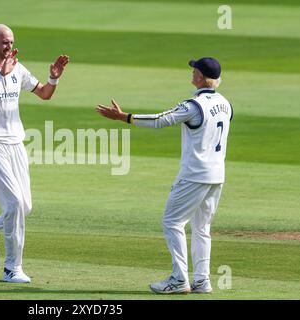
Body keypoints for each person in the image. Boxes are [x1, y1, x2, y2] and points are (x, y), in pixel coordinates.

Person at [96, 57, 232, 294]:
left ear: (200, 76)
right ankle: (201, 280)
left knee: (172, 222)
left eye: (194, 70)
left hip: (194, 175)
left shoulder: (194, 105)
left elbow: (160, 120)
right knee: (202, 228)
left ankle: (179, 279)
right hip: (216, 175)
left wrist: (125, 117)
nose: (191, 73)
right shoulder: (226, 104)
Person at [0, 24, 69, 283]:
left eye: (11, 41)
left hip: (16, 144)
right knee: (13, 205)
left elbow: (44, 94)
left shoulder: (18, 69)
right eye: (3, 42)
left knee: (25, 207)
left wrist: (54, 77)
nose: (8, 46)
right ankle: (13, 268)